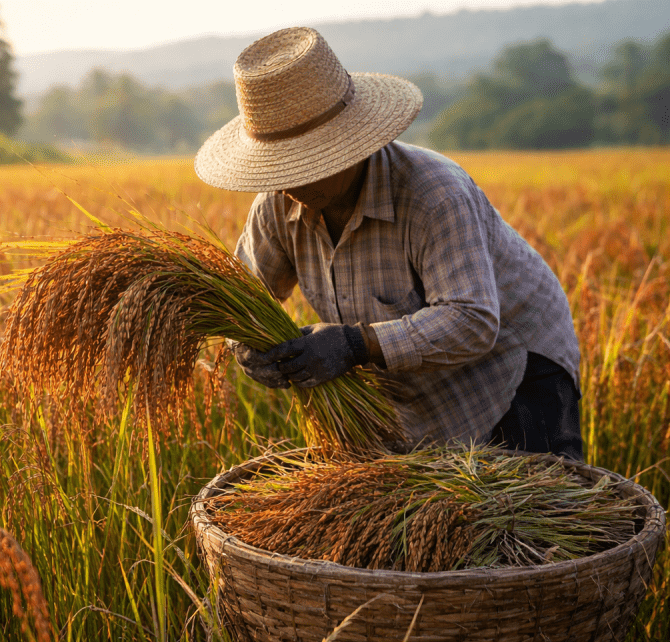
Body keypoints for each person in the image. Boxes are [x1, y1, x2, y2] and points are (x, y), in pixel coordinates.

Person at [193, 27, 584, 460]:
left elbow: (471, 320)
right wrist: (249, 347)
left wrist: (353, 344)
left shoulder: (433, 194)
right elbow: (242, 298)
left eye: (304, 164)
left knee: (525, 514)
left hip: (509, 368)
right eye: (279, 170)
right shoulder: (277, 205)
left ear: (350, 145)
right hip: (411, 393)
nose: (290, 184)